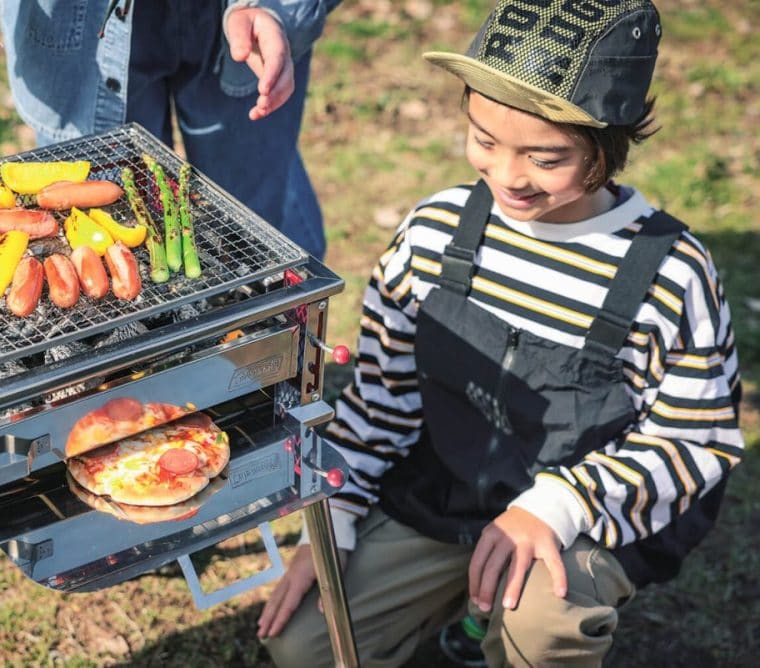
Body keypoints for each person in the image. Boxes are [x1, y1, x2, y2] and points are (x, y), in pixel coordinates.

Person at [258, 1, 744, 666]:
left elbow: (696, 441)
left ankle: (510, 621)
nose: (510, 176)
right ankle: (466, 601)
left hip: (584, 518)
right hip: (449, 489)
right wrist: (334, 515)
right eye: (485, 141)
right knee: (304, 644)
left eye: (546, 158)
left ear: (610, 141)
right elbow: (380, 399)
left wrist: (561, 504)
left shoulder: (670, 270)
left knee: (542, 631)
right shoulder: (433, 233)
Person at [0, 0, 339, 259]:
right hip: (77, 33)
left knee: (258, 221)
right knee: (97, 231)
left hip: (245, 23)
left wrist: (281, 9)